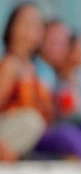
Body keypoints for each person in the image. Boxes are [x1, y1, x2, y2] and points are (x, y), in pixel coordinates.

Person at [0, 2, 51, 161]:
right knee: (31, 120)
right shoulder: (10, 65)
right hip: (7, 139)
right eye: (27, 23)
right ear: (12, 28)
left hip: (29, 142)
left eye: (38, 24)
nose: (34, 29)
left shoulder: (34, 68)